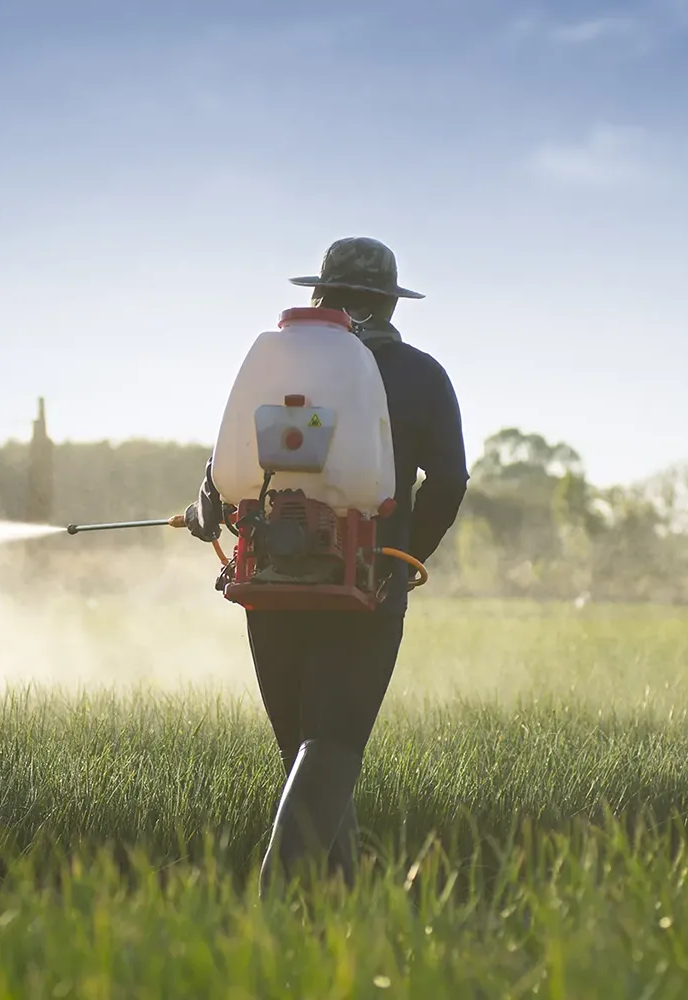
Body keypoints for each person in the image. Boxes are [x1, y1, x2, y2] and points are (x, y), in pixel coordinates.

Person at [184, 236, 469, 894]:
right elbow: (449, 482)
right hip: (363, 591)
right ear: (389, 302)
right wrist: (398, 558)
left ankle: (334, 918)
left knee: (305, 756)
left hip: (270, 585)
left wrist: (206, 509)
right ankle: (278, 913)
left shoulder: (277, 368)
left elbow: (223, 470)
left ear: (318, 294)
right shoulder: (420, 375)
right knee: (331, 753)